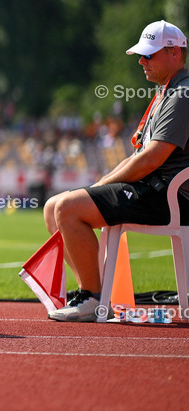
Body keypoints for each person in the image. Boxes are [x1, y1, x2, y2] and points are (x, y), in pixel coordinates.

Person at [44, 20, 189, 321]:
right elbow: (140, 156)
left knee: (68, 209)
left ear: (175, 53)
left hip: (170, 197)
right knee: (52, 207)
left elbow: (151, 160)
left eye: (149, 55)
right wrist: (101, 184)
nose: (141, 61)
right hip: (155, 189)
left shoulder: (181, 94)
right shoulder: (168, 91)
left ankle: (93, 299)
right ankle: (93, 292)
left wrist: (101, 186)